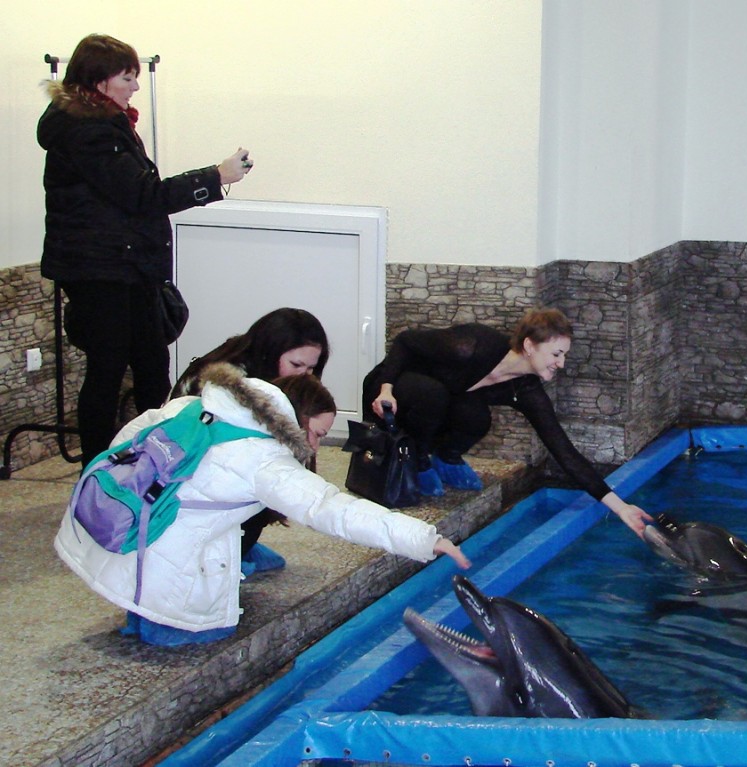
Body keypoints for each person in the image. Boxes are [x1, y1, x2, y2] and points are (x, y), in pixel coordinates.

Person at [54, 363, 471, 647]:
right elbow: (334, 510)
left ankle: (140, 619)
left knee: (162, 581)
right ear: (294, 419)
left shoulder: (198, 406)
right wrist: (424, 538)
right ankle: (157, 626)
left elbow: (127, 441)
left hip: (125, 533)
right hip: (166, 557)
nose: (315, 445)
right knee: (204, 633)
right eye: (316, 433)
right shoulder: (265, 462)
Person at [37, 33, 254, 468]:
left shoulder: (103, 125)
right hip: (101, 270)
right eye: (127, 77)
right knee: (109, 369)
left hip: (123, 265)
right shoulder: (88, 131)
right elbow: (144, 195)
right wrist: (215, 176)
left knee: (151, 363)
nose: (136, 86)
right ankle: (98, 471)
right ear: (99, 81)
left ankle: (158, 457)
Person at [363, 308, 653, 536]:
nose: (561, 363)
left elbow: (563, 450)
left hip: (435, 403)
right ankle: (418, 460)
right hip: (393, 389)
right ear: (529, 345)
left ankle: (444, 457)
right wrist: (386, 388)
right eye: (556, 354)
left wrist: (621, 507)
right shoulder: (472, 345)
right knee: (434, 394)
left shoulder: (525, 389)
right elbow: (405, 341)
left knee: (477, 417)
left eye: (564, 355)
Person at [170, 308, 331, 573]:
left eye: (311, 368)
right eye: (296, 365)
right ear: (270, 352)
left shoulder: (253, 363)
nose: (304, 376)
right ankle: (230, 552)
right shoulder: (235, 384)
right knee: (262, 483)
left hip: (204, 467)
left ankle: (240, 543)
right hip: (188, 478)